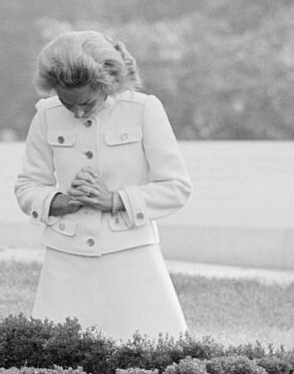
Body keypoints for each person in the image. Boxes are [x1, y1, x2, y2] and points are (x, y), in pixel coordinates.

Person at [14, 30, 192, 341]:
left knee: (152, 349)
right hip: (65, 258)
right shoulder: (45, 115)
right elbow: (28, 186)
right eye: (68, 104)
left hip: (131, 254)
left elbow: (176, 187)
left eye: (86, 102)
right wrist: (61, 201)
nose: (77, 112)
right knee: (57, 357)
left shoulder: (143, 110)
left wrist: (114, 200)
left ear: (105, 84)